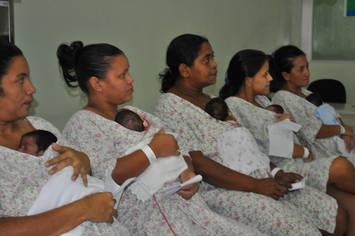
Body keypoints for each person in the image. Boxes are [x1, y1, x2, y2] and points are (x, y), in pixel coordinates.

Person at [58, 41, 264, 236]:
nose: (131, 79)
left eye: (128, 71)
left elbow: (175, 144)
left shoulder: (136, 113)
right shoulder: (83, 123)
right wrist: (152, 151)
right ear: (97, 83)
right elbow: (105, 179)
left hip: (189, 206)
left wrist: (187, 170)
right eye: (122, 75)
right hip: (153, 219)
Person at [154, 34, 348, 236]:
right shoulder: (170, 105)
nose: (214, 64)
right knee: (298, 227)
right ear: (185, 69)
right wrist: (256, 185)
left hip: (261, 178)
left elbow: (249, 145)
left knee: (331, 213)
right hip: (222, 190)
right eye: (206, 60)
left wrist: (276, 173)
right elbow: (197, 161)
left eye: (213, 57)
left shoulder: (215, 101)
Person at [0, 42, 130, 235]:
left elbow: (81, 178)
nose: (31, 88)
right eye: (20, 80)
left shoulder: (40, 127)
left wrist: (84, 162)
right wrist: (83, 210)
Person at [272, 44, 355, 235]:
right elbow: (311, 130)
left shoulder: (308, 94)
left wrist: (347, 132)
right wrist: (343, 128)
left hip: (339, 149)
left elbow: (331, 116)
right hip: (317, 157)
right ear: (286, 75)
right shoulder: (283, 98)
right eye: (300, 69)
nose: (307, 72)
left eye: (307, 66)